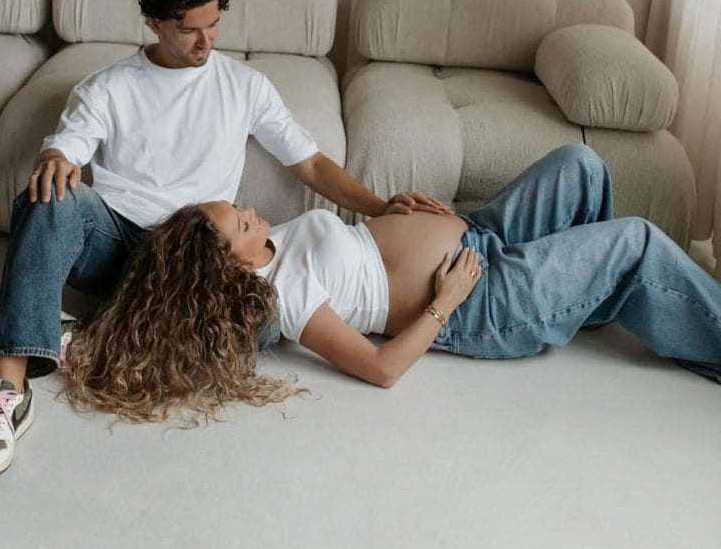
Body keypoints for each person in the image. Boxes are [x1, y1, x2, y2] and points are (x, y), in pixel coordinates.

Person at [0, 0, 446, 481]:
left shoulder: (244, 85)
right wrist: (54, 159)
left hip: (196, 259)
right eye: (189, 30)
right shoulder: (107, 87)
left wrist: (379, 206)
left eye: (213, 25)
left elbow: (310, 163)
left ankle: (91, 336)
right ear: (154, 24)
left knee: (262, 320)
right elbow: (65, 149)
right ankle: (7, 389)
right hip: (119, 244)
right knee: (46, 196)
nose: (205, 41)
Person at [63, 143, 721, 424]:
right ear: (227, 264)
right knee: (635, 240)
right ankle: (605, 291)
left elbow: (354, 247)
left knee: (581, 164)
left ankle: (590, 296)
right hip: (479, 296)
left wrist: (393, 211)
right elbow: (380, 369)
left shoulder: (268, 242)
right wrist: (444, 303)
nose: (250, 209)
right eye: (239, 219)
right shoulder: (283, 297)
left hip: (479, 235)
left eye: (237, 206)